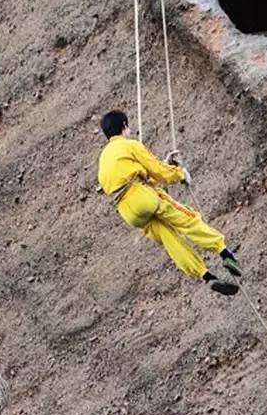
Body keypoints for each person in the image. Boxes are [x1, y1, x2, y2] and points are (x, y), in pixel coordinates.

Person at [97, 110, 242, 296]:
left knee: (170, 239)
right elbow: (157, 171)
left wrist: (166, 164)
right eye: (128, 126)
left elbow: (134, 178)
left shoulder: (104, 158)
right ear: (124, 126)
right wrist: (180, 174)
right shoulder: (129, 145)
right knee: (187, 219)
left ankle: (206, 276)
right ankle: (224, 252)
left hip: (128, 212)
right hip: (143, 196)